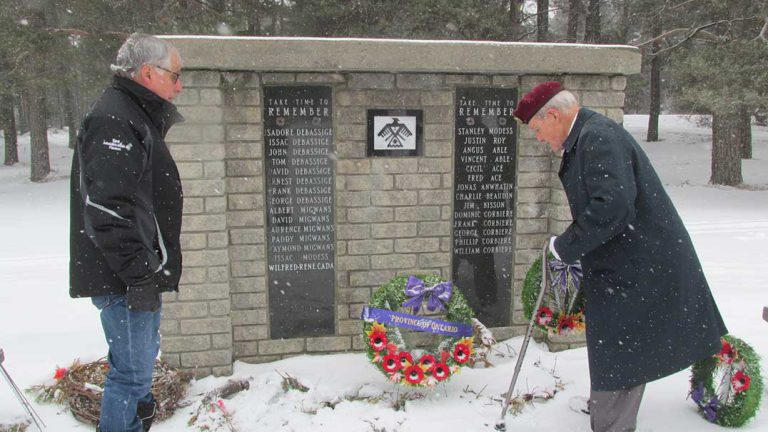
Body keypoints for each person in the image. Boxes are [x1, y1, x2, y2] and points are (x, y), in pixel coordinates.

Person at [513, 82, 727, 432]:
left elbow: (612, 206)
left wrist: (565, 248)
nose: (538, 138)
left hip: (639, 259)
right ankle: (606, 409)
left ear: (553, 114)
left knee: (621, 346)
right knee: (616, 340)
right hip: (626, 257)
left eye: (537, 129)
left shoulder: (598, 137)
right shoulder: (586, 135)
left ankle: (612, 424)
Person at [69, 33, 184, 432]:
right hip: (123, 277)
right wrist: (138, 276)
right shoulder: (114, 119)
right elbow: (106, 207)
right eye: (175, 74)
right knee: (131, 376)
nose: (179, 84)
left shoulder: (130, 113)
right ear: (148, 73)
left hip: (134, 273)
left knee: (137, 368)